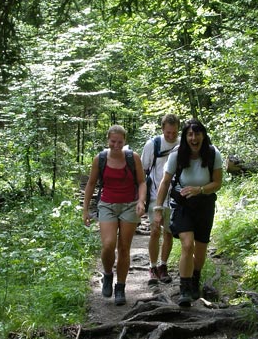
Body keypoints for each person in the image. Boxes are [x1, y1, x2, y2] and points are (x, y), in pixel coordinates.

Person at [153, 119, 223, 307]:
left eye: (197, 134)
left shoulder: (212, 153)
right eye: (190, 134)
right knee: (187, 244)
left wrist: (199, 190)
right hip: (182, 205)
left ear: (203, 135)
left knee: (200, 251)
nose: (194, 138)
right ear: (185, 137)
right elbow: (165, 182)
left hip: (204, 204)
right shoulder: (177, 155)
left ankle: (194, 280)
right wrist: (158, 209)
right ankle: (184, 289)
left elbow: (217, 183)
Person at [82, 125, 146, 306]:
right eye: (113, 141)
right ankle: (108, 274)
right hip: (107, 205)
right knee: (108, 244)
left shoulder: (133, 158)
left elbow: (142, 182)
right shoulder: (100, 159)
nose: (116, 145)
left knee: (124, 248)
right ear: (108, 141)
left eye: (119, 142)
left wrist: (141, 201)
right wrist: (85, 210)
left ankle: (121, 287)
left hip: (129, 205)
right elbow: (91, 184)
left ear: (124, 141)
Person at [141, 114, 180, 286]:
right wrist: (141, 198)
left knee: (169, 232)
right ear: (162, 129)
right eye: (168, 132)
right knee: (155, 231)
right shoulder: (152, 144)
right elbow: (143, 170)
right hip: (154, 195)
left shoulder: (182, 145)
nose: (171, 136)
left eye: (174, 133)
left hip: (174, 196)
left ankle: (163, 266)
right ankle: (152, 267)